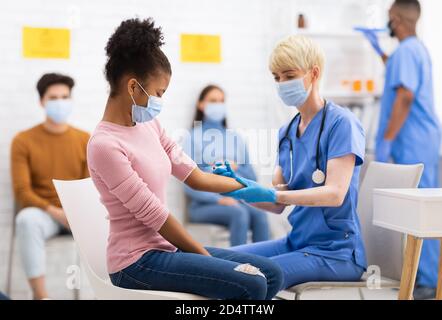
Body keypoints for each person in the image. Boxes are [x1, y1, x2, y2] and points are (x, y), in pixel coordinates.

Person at [87, 18, 283, 300]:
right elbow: (155, 216)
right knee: (250, 284)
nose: (159, 101)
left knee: (272, 274)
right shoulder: (104, 145)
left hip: (165, 248)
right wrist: (208, 259)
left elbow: (195, 176)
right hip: (136, 262)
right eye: (158, 93)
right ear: (133, 87)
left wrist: (248, 188)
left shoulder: (149, 125)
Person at [214, 35, 367, 290]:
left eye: (289, 75)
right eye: (277, 77)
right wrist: (238, 188)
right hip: (296, 242)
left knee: (247, 277)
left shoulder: (342, 124)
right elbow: (277, 203)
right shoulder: (286, 132)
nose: (282, 83)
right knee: (215, 261)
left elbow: (335, 194)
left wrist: (277, 195)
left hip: (335, 252)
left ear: (314, 73)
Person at [357, 0, 442, 299]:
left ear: (396, 19)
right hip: (421, 138)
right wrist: (380, 53)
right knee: (419, 209)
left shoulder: (406, 51)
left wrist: (388, 139)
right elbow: (399, 77)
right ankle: (422, 275)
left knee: (423, 212)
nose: (387, 24)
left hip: (412, 139)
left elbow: (404, 97)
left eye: (389, 19)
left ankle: (428, 281)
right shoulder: (412, 50)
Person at [11, 73, 90, 299]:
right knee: (26, 220)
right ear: (42, 102)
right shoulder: (23, 141)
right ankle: (41, 295)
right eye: (53, 97)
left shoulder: (85, 139)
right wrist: (56, 212)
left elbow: (88, 186)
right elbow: (22, 191)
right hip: (45, 215)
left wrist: (76, 214)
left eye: (65, 97)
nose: (60, 102)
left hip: (78, 215)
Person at [183, 85, 270, 246]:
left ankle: (264, 265)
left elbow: (252, 177)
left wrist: (236, 167)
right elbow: (188, 184)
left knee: (260, 214)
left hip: (237, 201)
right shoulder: (192, 138)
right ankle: (238, 268)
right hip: (203, 206)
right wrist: (218, 200)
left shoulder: (235, 138)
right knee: (239, 214)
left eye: (222, 101)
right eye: (213, 101)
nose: (218, 105)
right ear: (201, 104)